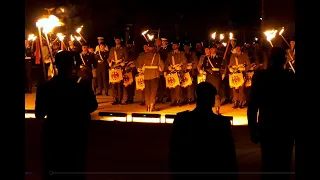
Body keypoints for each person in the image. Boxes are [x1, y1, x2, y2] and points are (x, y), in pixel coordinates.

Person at [35, 51, 98, 180]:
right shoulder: (82, 85)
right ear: (72, 65)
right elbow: (92, 106)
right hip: (75, 135)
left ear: (56, 65)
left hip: (54, 136)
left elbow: (39, 114)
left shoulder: (45, 87)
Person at [169, 82, 237, 180]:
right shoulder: (222, 123)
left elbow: (174, 151)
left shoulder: (181, 119)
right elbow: (229, 157)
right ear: (213, 100)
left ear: (197, 96)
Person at [247, 47, 295, 180]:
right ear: (284, 59)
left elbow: (252, 105)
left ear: (270, 58)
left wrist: (252, 128)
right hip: (286, 127)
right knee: (284, 165)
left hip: (267, 125)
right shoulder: (290, 77)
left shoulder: (260, 77)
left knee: (268, 163)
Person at [136, 42, 165, 111]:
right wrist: (160, 70)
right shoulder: (157, 55)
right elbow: (162, 66)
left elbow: (139, 66)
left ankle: (148, 105)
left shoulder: (144, 55)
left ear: (148, 47)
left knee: (147, 91)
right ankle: (152, 105)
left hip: (146, 75)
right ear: (153, 47)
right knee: (153, 91)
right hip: (154, 74)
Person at [107, 36, 128, 105]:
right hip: (113, 67)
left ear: (120, 41)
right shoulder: (112, 49)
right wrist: (109, 62)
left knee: (120, 85)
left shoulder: (123, 48)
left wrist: (123, 62)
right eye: (116, 40)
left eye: (118, 40)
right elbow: (109, 57)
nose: (117, 41)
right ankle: (115, 98)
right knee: (114, 85)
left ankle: (120, 99)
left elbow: (126, 57)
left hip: (120, 68)